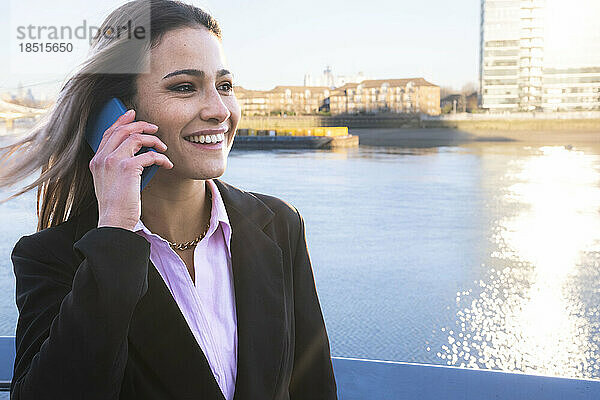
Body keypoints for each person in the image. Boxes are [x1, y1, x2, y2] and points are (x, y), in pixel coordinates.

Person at [1, 1, 337, 398]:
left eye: (224, 86)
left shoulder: (279, 224)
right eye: (184, 87)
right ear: (115, 114)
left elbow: (313, 387)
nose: (219, 110)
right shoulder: (53, 257)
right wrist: (116, 235)